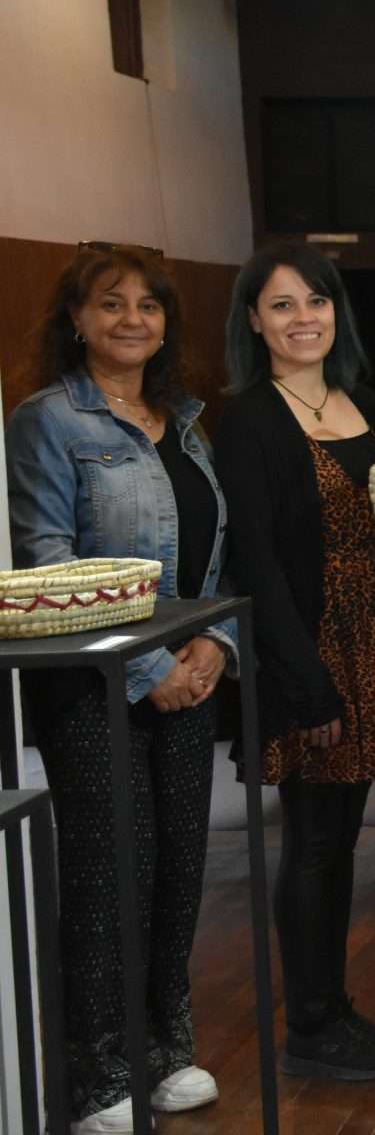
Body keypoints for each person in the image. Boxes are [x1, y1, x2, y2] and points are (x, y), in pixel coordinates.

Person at [6, 246, 235, 1132]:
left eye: (149, 305)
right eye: (111, 304)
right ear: (76, 318)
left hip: (192, 672)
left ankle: (167, 1048)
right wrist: (148, 671)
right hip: (94, 685)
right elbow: (46, 558)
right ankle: (98, 1075)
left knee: (180, 867)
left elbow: (215, 550)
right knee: (111, 876)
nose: (133, 319)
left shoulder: (185, 419)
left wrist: (209, 645)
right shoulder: (46, 421)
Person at [214, 241, 375, 1083]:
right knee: (312, 841)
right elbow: (257, 565)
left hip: (374, 636)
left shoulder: (362, 400)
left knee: (338, 843)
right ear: (253, 322)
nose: (303, 318)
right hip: (311, 654)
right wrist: (307, 687)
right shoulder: (250, 417)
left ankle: (332, 1006)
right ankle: (309, 1023)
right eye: (281, 305)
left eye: (316, 300)